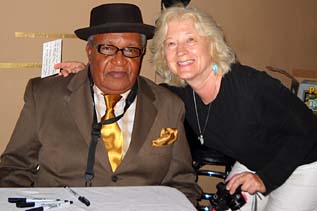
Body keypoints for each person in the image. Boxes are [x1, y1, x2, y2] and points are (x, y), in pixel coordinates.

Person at [56, 4, 317, 211]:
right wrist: (89, 73)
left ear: (211, 44)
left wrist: (265, 179)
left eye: (190, 39)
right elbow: (135, 86)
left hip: (303, 164)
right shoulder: (180, 93)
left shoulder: (250, 85)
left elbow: (309, 131)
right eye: (171, 43)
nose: (181, 51)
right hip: (253, 161)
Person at [0, 3, 202, 205]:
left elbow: (182, 182)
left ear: (141, 53)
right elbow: (15, 168)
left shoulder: (169, 106)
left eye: (131, 50)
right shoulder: (45, 96)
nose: (120, 61)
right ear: (89, 52)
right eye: (107, 48)